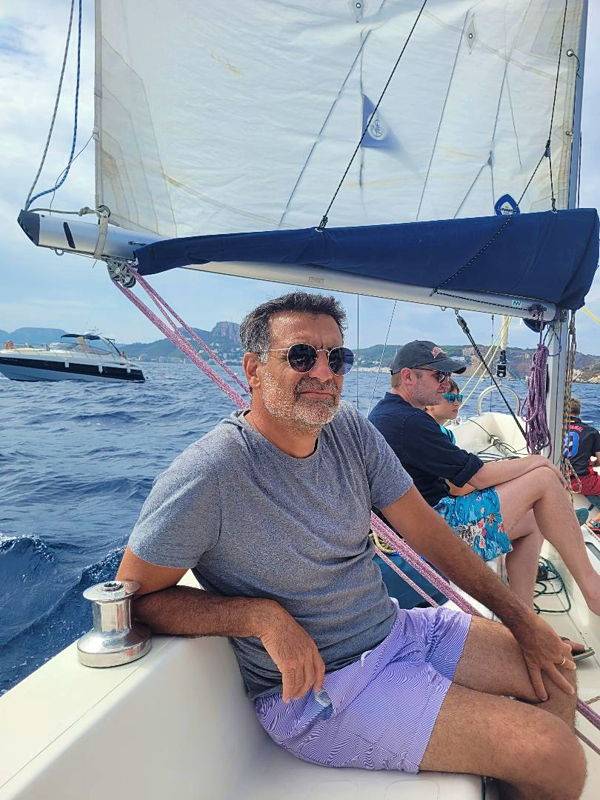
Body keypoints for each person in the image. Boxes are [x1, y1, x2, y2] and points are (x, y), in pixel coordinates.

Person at [117, 295, 585, 800]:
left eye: (336, 358)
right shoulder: (210, 474)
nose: (324, 373)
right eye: (301, 356)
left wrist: (522, 620)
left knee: (556, 668)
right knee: (552, 751)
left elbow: (429, 532)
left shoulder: (351, 431)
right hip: (323, 692)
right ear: (253, 369)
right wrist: (260, 618)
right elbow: (135, 598)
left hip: (397, 631)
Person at [368, 340, 600, 622]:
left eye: (448, 376)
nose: (446, 383)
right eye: (439, 375)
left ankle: (525, 621)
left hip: (419, 527)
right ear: (407, 377)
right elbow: (478, 477)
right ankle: (593, 589)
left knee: (534, 520)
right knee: (544, 479)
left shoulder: (389, 414)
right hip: (432, 536)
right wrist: (538, 461)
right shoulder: (406, 421)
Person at [565, 397, 600, 530]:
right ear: (579, 412)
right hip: (580, 480)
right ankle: (595, 523)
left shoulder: (555, 428)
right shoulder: (591, 431)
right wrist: (595, 463)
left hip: (556, 477)